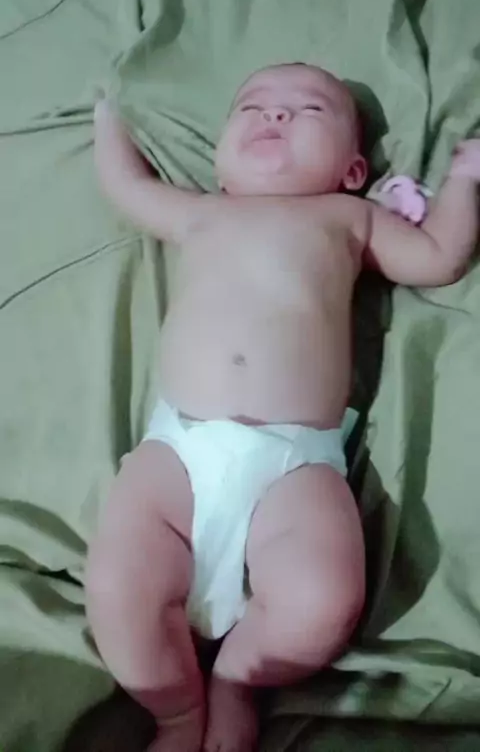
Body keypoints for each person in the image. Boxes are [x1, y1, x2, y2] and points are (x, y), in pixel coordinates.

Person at [86, 63, 480, 752]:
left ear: (353, 170)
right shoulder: (202, 212)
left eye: (309, 110)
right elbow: (129, 189)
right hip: (177, 453)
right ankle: (176, 710)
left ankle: (240, 680)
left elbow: (438, 256)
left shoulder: (347, 219)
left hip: (296, 467)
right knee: (117, 584)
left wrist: (465, 178)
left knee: (325, 600)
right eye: (254, 106)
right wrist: (108, 119)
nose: (276, 115)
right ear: (220, 160)